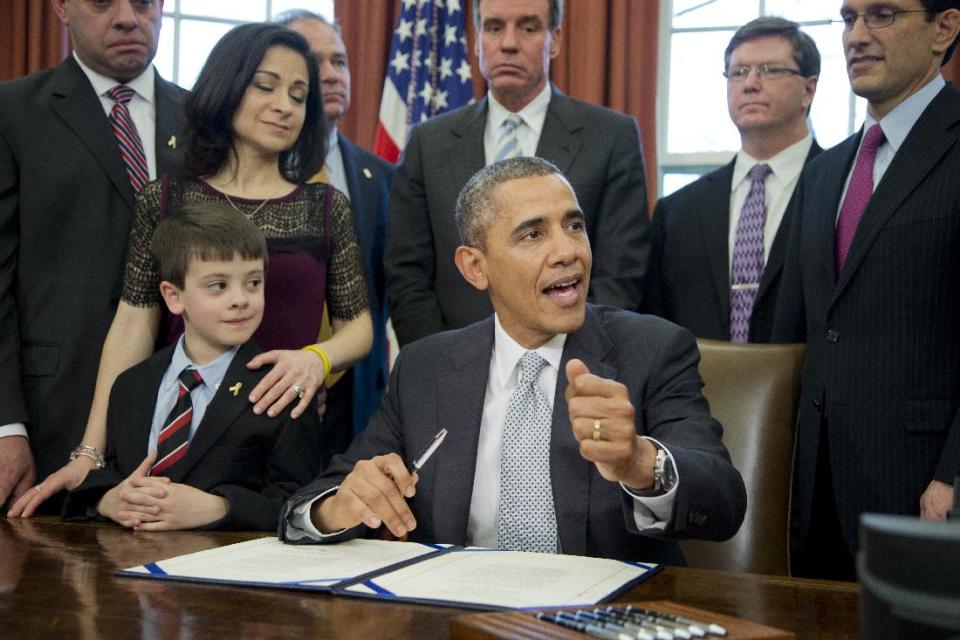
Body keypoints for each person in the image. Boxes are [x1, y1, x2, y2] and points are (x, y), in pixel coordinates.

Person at [280, 158, 746, 563]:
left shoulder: (652, 348)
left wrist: (640, 462)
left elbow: (723, 502)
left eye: (575, 226)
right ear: (474, 267)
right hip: (459, 617)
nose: (567, 252)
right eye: (533, 234)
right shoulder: (426, 368)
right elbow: (306, 508)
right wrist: (337, 508)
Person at [12, 22, 372, 517]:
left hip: (280, 435)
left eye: (298, 95)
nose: (284, 105)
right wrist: (90, 453)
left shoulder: (326, 206)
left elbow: (359, 328)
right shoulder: (164, 199)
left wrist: (317, 359)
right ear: (227, 87)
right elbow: (135, 321)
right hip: (184, 435)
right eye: (265, 87)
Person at [772, 0, 960, 580]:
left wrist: (955, 474)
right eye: (848, 18)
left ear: (944, 28)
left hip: (925, 492)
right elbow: (792, 336)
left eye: (882, 15)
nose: (856, 35)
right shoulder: (826, 171)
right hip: (811, 498)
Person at [0, 0, 186, 513]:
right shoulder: (13, 113)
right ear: (61, 8)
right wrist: (5, 426)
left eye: (144, 3)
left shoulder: (204, 122)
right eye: (103, 2)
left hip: (182, 418)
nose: (128, 17)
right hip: (49, 419)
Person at [385, 0, 650, 348]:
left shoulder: (611, 136)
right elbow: (407, 276)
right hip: (454, 371)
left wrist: (564, 362)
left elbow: (621, 275)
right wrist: (445, 366)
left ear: (553, 40)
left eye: (527, 27)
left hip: (572, 370)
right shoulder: (427, 143)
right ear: (478, 40)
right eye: (494, 27)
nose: (508, 43)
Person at [62, 204, 318, 531]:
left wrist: (219, 508)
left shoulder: (282, 390)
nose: (240, 299)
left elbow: (303, 506)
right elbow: (109, 474)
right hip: (129, 564)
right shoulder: (132, 384)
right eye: (218, 286)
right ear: (173, 297)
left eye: (253, 282)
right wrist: (109, 500)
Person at [645, 17, 822, 343]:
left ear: (808, 90)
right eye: (739, 72)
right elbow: (654, 325)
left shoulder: (841, 190)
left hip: (808, 388)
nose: (750, 83)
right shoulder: (677, 211)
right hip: (696, 390)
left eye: (769, 70)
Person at [278, 10, 395, 462]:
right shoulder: (248, 173)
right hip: (265, 390)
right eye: (314, 62)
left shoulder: (380, 177)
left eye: (340, 62)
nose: (331, 75)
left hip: (356, 400)